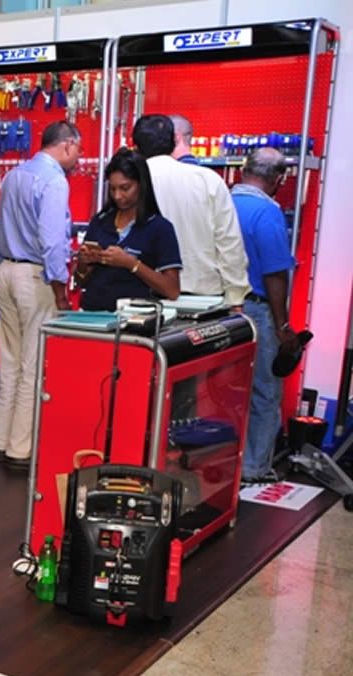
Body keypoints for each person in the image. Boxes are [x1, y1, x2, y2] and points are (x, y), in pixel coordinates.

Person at [0, 121, 79, 468]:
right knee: (33, 365)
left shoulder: (14, 175)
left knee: (10, 362)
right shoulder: (55, 180)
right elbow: (53, 239)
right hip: (34, 276)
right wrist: (60, 287)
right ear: (68, 145)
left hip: (6, 271)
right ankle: (21, 450)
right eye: (79, 151)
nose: (78, 159)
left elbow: (0, 228)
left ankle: (2, 440)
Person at [133, 114, 249, 307]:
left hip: (144, 297)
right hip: (204, 299)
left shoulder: (130, 183)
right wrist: (236, 297)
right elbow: (229, 244)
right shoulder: (208, 180)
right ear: (174, 140)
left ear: (135, 146)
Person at [233, 147, 299, 483]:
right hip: (257, 310)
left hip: (222, 309)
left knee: (223, 392)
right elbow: (275, 273)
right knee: (264, 392)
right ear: (277, 179)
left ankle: (221, 464)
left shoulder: (222, 203)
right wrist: (282, 324)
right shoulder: (267, 212)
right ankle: (254, 469)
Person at [76, 148, 182, 311]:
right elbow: (81, 281)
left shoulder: (159, 228)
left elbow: (172, 290)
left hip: (133, 319)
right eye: (112, 189)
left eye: (125, 188)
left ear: (141, 185)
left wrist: (130, 263)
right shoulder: (100, 221)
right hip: (93, 314)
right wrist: (83, 263)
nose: (118, 196)